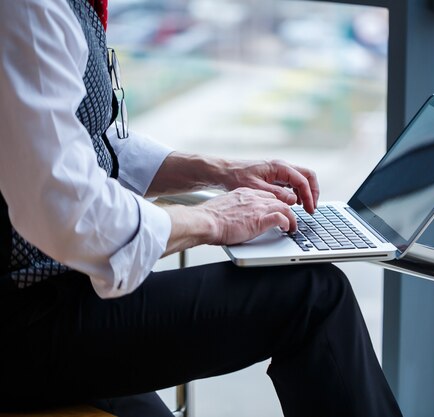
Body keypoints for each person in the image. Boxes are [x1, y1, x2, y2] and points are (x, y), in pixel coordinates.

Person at [0, 1, 404, 416]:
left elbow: (87, 145)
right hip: (25, 322)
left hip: (50, 302)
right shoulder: (29, 10)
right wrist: (214, 219)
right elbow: (74, 216)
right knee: (315, 295)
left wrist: (222, 171)